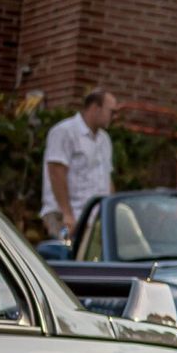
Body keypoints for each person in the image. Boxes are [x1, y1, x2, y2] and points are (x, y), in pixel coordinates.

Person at [41, 89, 116, 240]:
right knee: (67, 256)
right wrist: (67, 214)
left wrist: (112, 211)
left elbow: (107, 178)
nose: (114, 117)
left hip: (93, 217)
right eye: (111, 111)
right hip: (64, 215)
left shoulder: (104, 139)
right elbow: (56, 172)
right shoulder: (65, 131)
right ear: (96, 108)